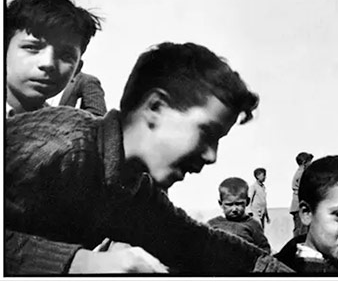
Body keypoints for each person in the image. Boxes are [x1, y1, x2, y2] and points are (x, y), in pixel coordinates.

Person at [4, 42, 291, 274]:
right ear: (155, 108)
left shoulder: (134, 190)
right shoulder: (60, 144)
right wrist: (80, 263)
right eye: (206, 132)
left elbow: (194, 242)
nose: (212, 156)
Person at [5, 0, 102, 116]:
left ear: (77, 69)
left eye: (66, 56)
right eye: (31, 47)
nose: (48, 63)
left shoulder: (64, 129)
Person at [208, 177, 271, 253]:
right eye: (229, 205)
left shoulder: (253, 225)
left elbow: (264, 250)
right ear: (221, 204)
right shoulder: (212, 225)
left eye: (239, 204)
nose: (234, 209)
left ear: (247, 202)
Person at [290, 152, 314, 238]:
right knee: (301, 231)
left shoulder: (301, 173)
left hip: (299, 204)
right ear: (304, 163)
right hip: (299, 204)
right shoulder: (302, 174)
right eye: (309, 162)